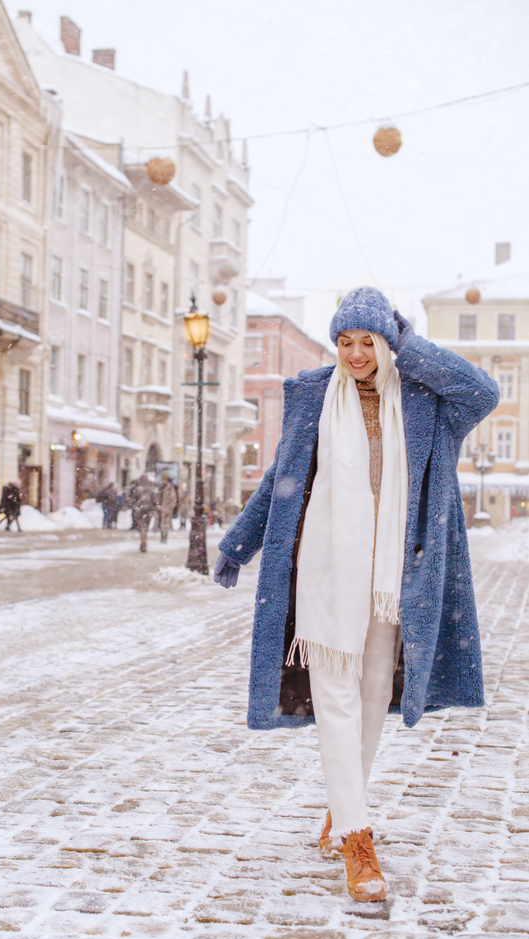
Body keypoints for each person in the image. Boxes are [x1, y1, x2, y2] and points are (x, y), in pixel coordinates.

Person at [214, 287, 499, 904]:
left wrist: (410, 348)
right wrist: (239, 544)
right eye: (345, 341)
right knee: (336, 699)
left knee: (371, 701)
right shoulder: (315, 394)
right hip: (325, 570)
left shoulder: (426, 400)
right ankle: (358, 838)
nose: (355, 353)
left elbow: (484, 392)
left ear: (388, 342)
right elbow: (281, 480)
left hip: (391, 578)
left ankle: (343, 811)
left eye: (367, 341)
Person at [129, 473, 159, 552]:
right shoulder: (150, 490)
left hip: (139, 511)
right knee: (145, 527)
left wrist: (128, 506)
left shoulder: (137, 489)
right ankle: (144, 541)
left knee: (141, 527)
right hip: (148, 511)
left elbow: (132, 499)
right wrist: (156, 506)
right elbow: (154, 500)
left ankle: (143, 540)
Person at [158, 473, 177, 543]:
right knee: (162, 524)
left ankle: (164, 537)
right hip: (163, 509)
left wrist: (168, 508)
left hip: (167, 510)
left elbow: (173, 499)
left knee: (165, 524)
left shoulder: (169, 488)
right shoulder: (162, 487)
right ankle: (163, 536)